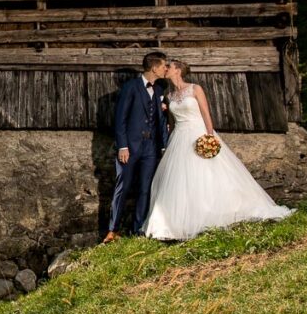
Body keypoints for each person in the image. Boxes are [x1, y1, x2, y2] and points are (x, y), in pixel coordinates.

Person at [142, 59, 294, 241]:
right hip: (180, 137)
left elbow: (206, 113)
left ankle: (222, 211)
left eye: (170, 67)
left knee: (210, 173)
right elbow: (172, 121)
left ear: (178, 70)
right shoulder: (170, 95)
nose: (166, 69)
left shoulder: (195, 89)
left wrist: (209, 136)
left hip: (199, 133)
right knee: (183, 178)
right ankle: (183, 220)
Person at [104, 51, 169, 243]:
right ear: (154, 67)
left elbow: (160, 120)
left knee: (145, 188)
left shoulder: (158, 91)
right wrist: (122, 146)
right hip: (130, 147)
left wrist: (163, 146)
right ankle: (112, 230)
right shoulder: (130, 87)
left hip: (150, 147)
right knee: (122, 187)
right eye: (163, 65)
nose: (165, 68)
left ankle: (138, 229)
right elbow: (120, 119)